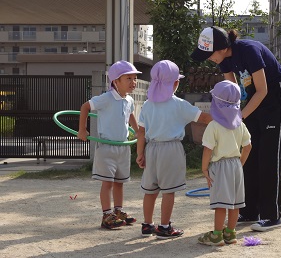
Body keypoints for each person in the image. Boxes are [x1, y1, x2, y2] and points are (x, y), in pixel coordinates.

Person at [191, 26, 281, 231]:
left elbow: (262, 90)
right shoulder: (224, 61)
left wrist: (239, 117)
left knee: (269, 158)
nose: (209, 59)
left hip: (274, 97)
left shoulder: (249, 50)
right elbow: (234, 91)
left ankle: (272, 216)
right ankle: (250, 211)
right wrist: (231, 114)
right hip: (252, 102)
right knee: (248, 154)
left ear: (220, 48)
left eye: (209, 54)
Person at [136, 60, 212, 239]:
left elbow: (141, 131)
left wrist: (140, 153)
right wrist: (227, 116)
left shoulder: (147, 105)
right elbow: (203, 118)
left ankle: (147, 225)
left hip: (151, 148)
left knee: (150, 190)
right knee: (168, 190)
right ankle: (164, 227)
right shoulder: (179, 104)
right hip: (171, 149)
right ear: (175, 83)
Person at [77, 60, 141, 229]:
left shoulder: (129, 100)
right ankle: (107, 215)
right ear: (116, 81)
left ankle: (118, 211)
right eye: (128, 79)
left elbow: (130, 116)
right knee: (108, 183)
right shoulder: (105, 99)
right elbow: (85, 108)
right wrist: (82, 130)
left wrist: (138, 130)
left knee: (120, 182)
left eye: (134, 79)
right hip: (106, 148)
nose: (133, 82)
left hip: (123, 147)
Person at [197, 80, 252, 246]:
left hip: (220, 166)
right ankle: (230, 233)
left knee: (221, 203)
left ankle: (216, 235)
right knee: (235, 203)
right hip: (236, 165)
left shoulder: (213, 126)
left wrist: (204, 168)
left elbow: (208, 149)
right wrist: (240, 163)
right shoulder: (240, 125)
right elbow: (248, 146)